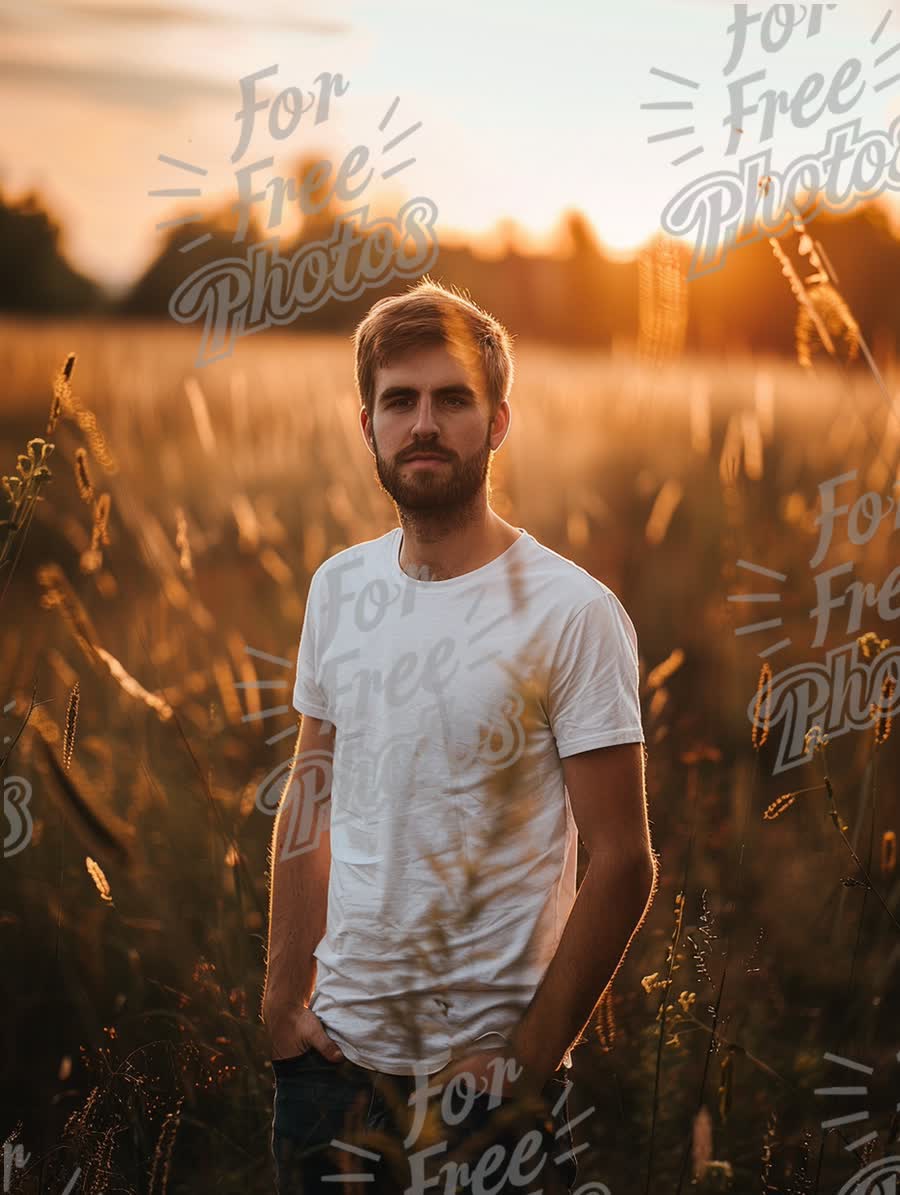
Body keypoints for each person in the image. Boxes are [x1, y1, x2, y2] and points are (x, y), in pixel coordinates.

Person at [261, 279, 658, 1193]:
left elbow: (624, 861)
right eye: (400, 400)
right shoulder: (339, 588)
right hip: (331, 1069)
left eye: (453, 399)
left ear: (500, 419)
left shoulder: (573, 613)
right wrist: (283, 1004)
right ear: (368, 424)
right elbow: (308, 797)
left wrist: (524, 1063)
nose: (424, 423)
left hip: (481, 1092)